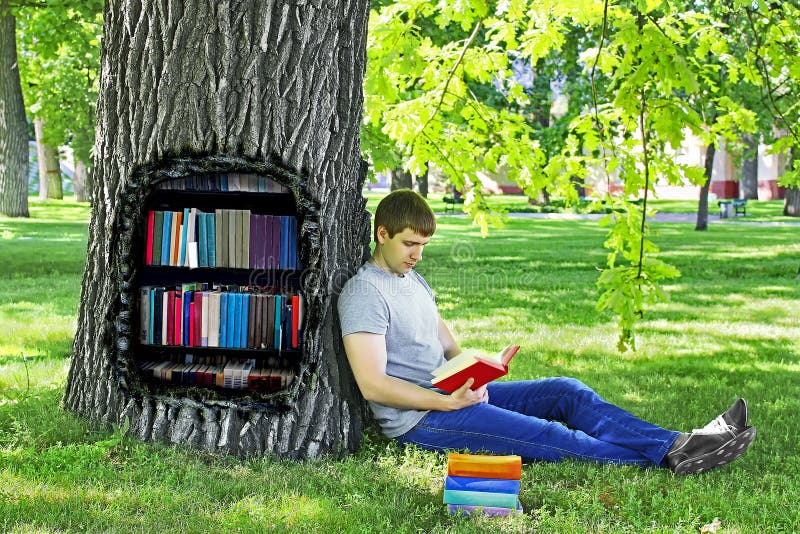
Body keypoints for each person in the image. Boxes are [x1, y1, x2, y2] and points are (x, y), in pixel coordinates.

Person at [337, 189, 756, 475]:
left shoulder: (413, 279)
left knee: (566, 391)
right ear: (383, 234)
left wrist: (474, 372)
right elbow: (373, 385)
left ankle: (679, 443)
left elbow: (445, 342)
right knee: (551, 436)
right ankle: (675, 455)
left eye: (424, 246)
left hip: (451, 395)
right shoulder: (364, 293)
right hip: (422, 420)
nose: (417, 254)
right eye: (410, 244)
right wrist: (447, 404)